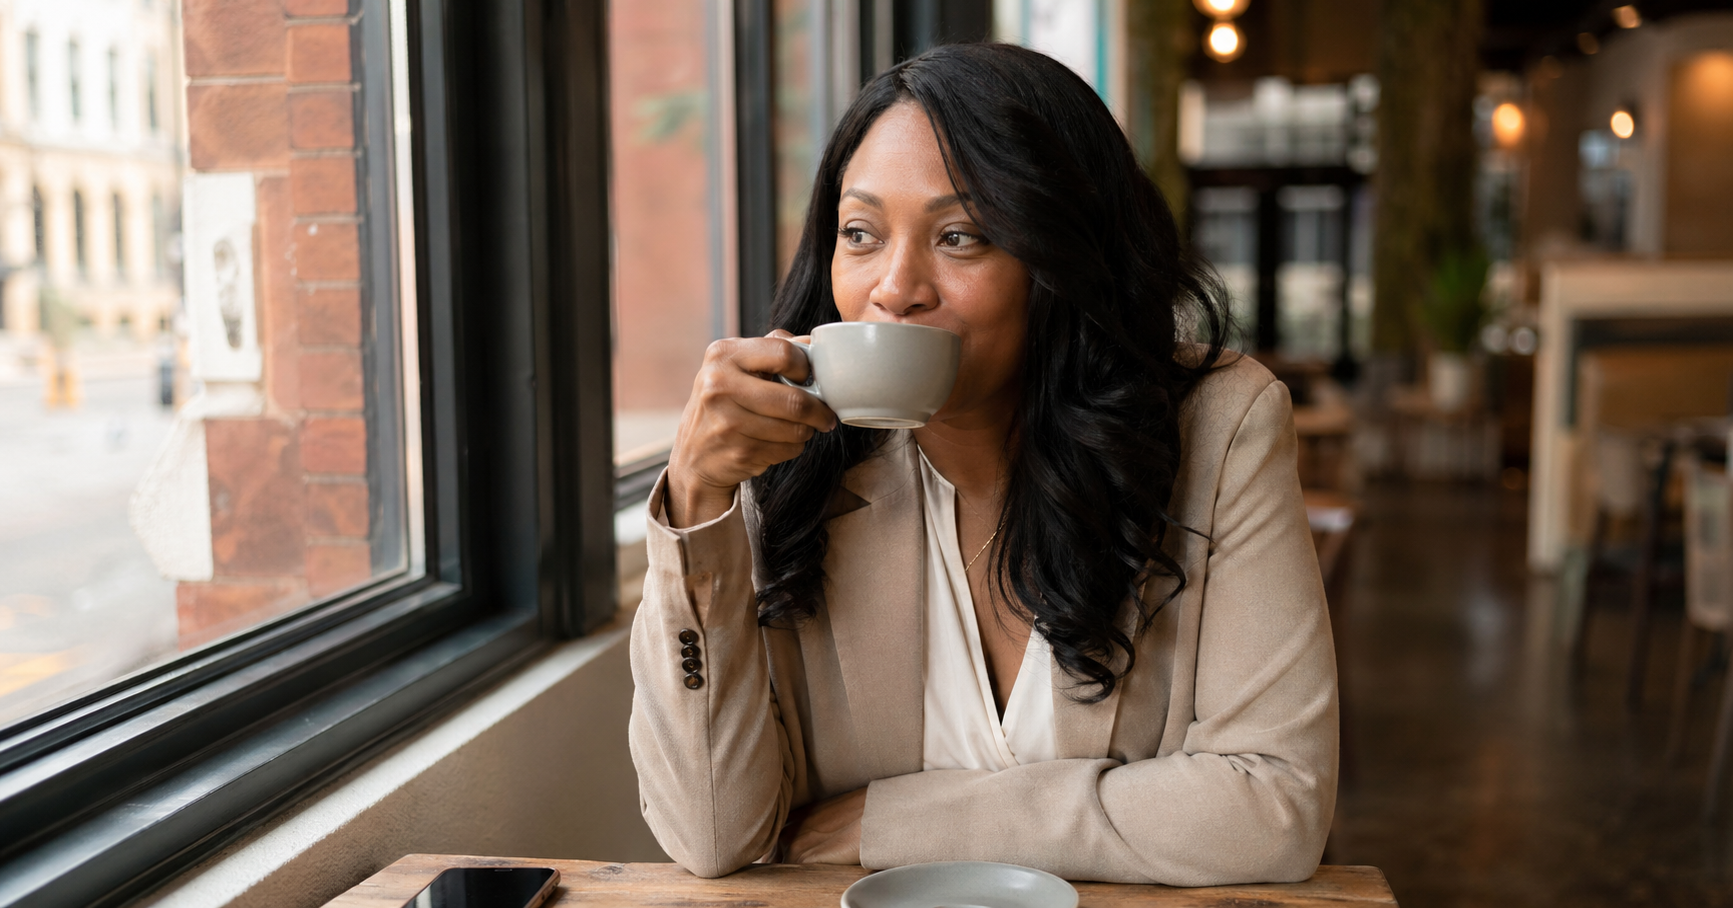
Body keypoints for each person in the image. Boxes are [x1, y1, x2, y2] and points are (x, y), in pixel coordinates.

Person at [628, 42, 1337, 885]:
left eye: (960, 237)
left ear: (1063, 261)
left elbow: (1272, 806)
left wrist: (899, 819)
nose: (895, 287)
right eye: (860, 233)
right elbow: (711, 836)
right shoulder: (781, 456)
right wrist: (697, 504)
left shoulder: (1215, 426)